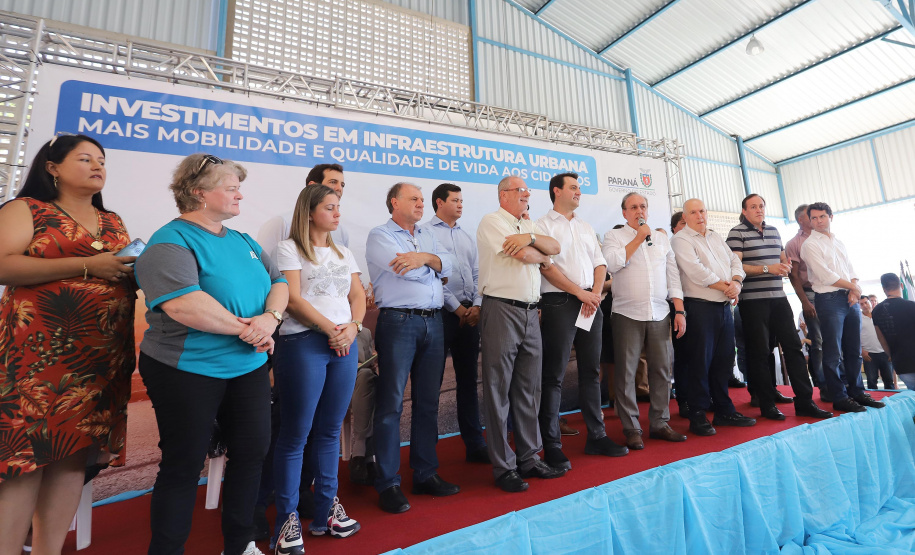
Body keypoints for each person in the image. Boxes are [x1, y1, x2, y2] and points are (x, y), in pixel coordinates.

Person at [135, 153, 289, 555]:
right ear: (199, 193)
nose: (241, 194)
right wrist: (251, 330)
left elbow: (279, 283)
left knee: (252, 454)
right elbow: (185, 305)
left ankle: (239, 546)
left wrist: (270, 319)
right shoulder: (170, 241)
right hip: (187, 368)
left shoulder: (243, 240)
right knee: (183, 466)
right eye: (231, 186)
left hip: (249, 365)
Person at [0, 135, 137, 555]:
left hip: (100, 358)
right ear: (52, 167)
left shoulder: (112, 219)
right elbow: (3, 263)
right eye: (84, 159)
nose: (98, 166)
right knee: (25, 461)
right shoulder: (27, 210)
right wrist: (86, 265)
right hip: (38, 359)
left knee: (70, 458)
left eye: (101, 160)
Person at [271, 185, 365, 552]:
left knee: (329, 432)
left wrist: (353, 328)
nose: (337, 212)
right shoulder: (288, 248)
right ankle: (286, 521)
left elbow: (357, 296)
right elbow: (291, 299)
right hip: (304, 344)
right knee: (295, 435)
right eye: (330, 207)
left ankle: (326, 510)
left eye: (339, 206)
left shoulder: (343, 252)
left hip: (343, 343)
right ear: (310, 212)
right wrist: (330, 329)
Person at [366, 182, 458, 514]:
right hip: (398, 323)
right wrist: (431, 267)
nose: (421, 204)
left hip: (434, 322)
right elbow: (409, 273)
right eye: (414, 199)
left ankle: (425, 474)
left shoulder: (428, 234)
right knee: (390, 404)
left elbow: (451, 265)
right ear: (394, 202)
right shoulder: (380, 235)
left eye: (422, 199)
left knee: (428, 403)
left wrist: (426, 259)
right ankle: (388, 482)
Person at [536, 173, 629, 469]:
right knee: (554, 376)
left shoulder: (586, 226)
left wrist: (594, 294)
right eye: (573, 187)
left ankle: (597, 436)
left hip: (591, 303)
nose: (579, 192)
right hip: (559, 303)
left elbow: (600, 264)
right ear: (557, 191)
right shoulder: (541, 226)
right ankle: (550, 444)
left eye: (580, 188)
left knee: (591, 371)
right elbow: (546, 268)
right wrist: (581, 293)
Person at [477, 176, 563, 493]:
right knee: (498, 391)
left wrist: (529, 236)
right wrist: (536, 249)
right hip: (502, 309)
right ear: (504, 195)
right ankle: (504, 466)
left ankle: (530, 458)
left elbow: (555, 247)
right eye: (521, 191)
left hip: (531, 311)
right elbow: (528, 256)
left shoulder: (526, 227)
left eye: (527, 191)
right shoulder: (492, 221)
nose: (527, 195)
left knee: (528, 390)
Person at [725, 194, 831, 420]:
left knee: (793, 348)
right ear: (744, 211)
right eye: (753, 207)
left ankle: (805, 402)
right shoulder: (736, 233)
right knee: (760, 353)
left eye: (761, 206)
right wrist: (767, 269)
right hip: (752, 301)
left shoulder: (773, 231)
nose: (758, 210)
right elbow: (734, 266)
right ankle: (767, 404)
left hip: (779, 298)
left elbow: (782, 259)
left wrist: (784, 266)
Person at [603, 193, 687, 450]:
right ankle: (631, 429)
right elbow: (612, 264)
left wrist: (679, 310)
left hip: (660, 312)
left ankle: (660, 423)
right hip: (627, 313)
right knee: (626, 373)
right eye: (633, 207)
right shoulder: (613, 237)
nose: (639, 211)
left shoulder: (661, 238)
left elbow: (672, 275)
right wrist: (639, 237)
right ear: (625, 213)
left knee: (662, 370)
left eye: (643, 206)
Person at [671, 198, 756, 436]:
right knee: (699, 363)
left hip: (723, 307)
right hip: (699, 308)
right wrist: (725, 287)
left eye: (702, 211)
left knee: (723, 362)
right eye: (693, 212)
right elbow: (696, 271)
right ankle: (697, 415)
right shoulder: (680, 239)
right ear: (685, 217)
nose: (700, 216)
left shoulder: (715, 236)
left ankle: (723, 410)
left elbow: (734, 261)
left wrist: (737, 284)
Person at [422, 183, 489, 464]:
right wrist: (459, 309)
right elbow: (433, 276)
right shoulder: (426, 233)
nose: (461, 205)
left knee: (468, 382)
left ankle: (474, 445)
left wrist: (475, 305)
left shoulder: (466, 235)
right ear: (439, 202)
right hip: (441, 314)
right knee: (432, 384)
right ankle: (428, 451)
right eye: (455, 200)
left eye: (462, 200)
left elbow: (476, 272)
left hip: (469, 314)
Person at [800, 202, 884, 413]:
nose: (818, 221)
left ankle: (857, 392)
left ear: (831, 217)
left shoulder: (838, 242)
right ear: (809, 221)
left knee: (854, 350)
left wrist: (854, 290)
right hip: (828, 300)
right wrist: (853, 287)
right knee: (833, 353)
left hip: (850, 299)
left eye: (822, 217)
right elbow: (825, 275)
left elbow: (850, 269)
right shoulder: (810, 245)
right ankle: (839, 396)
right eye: (814, 218)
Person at [785, 204, 828, 400]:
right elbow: (794, 276)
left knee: (834, 339)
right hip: (810, 293)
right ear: (801, 220)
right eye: (809, 216)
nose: (814, 219)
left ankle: (838, 381)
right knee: (817, 342)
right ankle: (821, 384)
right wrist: (804, 302)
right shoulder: (794, 243)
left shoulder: (825, 237)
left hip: (831, 292)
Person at [872, 273, 915, 391]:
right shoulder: (912, 306)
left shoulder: (877, 311)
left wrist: (891, 355)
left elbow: (881, 338)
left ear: (883, 289)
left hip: (901, 363)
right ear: (901, 285)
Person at [859, 297, 896, 390]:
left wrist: (890, 351)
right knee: (871, 381)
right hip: (869, 355)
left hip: (885, 353)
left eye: (866, 302)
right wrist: (862, 351)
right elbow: (854, 336)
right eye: (861, 304)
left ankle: (892, 402)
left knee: (889, 381)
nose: (864, 305)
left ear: (870, 302)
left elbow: (889, 332)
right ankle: (873, 403)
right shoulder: (858, 318)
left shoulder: (880, 315)